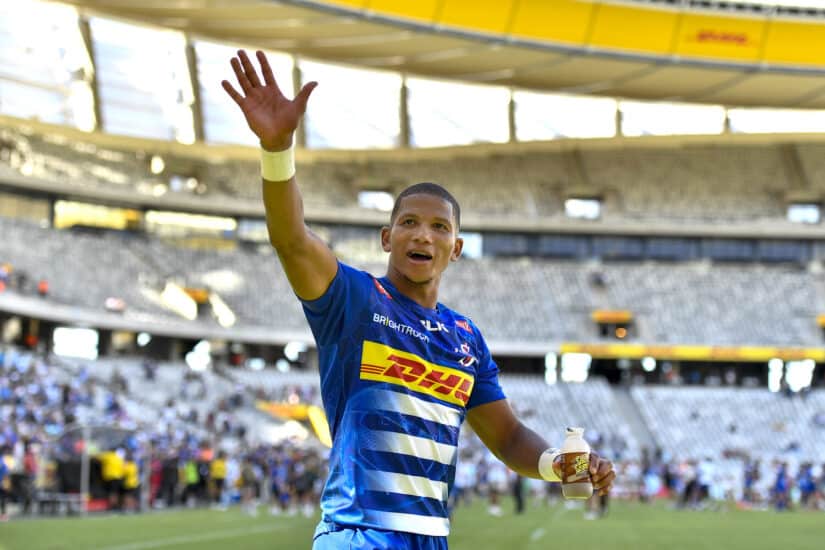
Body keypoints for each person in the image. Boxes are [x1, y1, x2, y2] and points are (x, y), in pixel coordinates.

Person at [223, 49, 616, 550]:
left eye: (439, 227)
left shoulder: (466, 338)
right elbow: (292, 240)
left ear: (457, 248)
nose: (423, 235)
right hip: (358, 536)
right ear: (387, 239)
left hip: (431, 538)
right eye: (409, 222)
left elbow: (508, 437)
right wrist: (277, 149)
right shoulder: (355, 300)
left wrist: (557, 463)